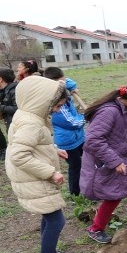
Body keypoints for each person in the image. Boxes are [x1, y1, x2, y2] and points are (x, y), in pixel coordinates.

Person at [5, 76, 78, 253]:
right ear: (42, 101)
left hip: (29, 176)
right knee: (57, 219)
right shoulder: (32, 124)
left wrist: (54, 150)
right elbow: (19, 155)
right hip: (34, 177)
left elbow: (30, 144)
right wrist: (50, 172)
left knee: (50, 215)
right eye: (56, 105)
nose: (56, 110)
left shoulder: (28, 115)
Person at [80, 82, 127, 244]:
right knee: (114, 195)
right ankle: (95, 228)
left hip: (121, 157)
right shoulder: (109, 112)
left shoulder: (119, 109)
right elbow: (93, 140)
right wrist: (114, 162)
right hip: (107, 160)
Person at [44, 67, 85, 196]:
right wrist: (85, 117)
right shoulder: (56, 105)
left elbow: (68, 82)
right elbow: (71, 123)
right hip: (67, 142)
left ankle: (87, 186)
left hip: (78, 138)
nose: (65, 83)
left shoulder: (62, 91)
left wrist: (71, 86)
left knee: (86, 162)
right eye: (62, 81)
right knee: (75, 167)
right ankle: (75, 193)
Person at [0, 68, 18, 133]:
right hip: (10, 125)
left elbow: (16, 109)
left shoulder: (14, 91)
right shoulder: (4, 91)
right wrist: (1, 113)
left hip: (16, 126)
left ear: (0, 79)